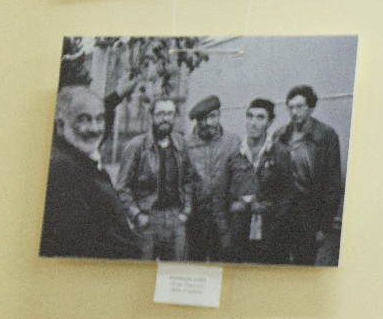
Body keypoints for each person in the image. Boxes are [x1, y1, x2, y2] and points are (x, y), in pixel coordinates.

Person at [40, 86, 142, 260]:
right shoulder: (62, 170)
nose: (95, 128)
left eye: (99, 119)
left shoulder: (78, 155)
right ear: (61, 124)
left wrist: (117, 95)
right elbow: (82, 244)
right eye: (84, 120)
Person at [116, 97, 197, 261]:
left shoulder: (180, 144)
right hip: (148, 220)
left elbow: (188, 180)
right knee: (144, 272)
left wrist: (186, 212)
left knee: (174, 272)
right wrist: (137, 215)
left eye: (170, 114)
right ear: (151, 116)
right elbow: (122, 187)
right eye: (161, 114)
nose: (165, 118)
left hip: (176, 219)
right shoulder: (136, 146)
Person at [222, 97, 295, 262]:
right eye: (250, 116)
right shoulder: (235, 154)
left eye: (260, 118)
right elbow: (221, 198)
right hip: (239, 237)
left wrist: (267, 209)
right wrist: (227, 232)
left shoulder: (280, 153)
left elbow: (287, 196)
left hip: (270, 237)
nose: (253, 123)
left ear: (270, 122)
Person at [277, 84, 343, 265]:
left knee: (304, 263)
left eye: (299, 107)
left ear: (311, 107)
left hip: (310, 213)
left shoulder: (326, 136)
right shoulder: (281, 136)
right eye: (291, 107)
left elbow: (333, 184)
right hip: (283, 213)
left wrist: (323, 225)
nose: (294, 112)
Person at [184, 94, 242, 262]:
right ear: (196, 121)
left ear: (219, 115)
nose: (208, 123)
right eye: (203, 119)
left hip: (224, 218)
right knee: (195, 265)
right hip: (195, 219)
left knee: (223, 265)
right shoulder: (185, 144)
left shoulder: (232, 141)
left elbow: (238, 177)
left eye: (212, 117)